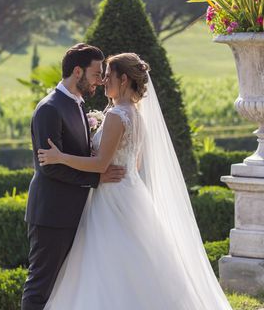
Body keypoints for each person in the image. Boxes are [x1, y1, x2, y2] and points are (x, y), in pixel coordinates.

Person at [37, 53, 232, 309]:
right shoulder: (135, 115)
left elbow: (101, 165)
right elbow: (135, 164)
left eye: (108, 76)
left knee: (108, 265)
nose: (104, 81)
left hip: (112, 199)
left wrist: (60, 157)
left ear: (124, 79)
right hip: (130, 193)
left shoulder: (118, 115)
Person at [22, 44, 127, 310]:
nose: (100, 80)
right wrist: (97, 179)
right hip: (52, 214)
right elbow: (50, 166)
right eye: (95, 73)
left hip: (76, 212)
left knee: (66, 288)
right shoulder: (49, 108)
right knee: (40, 287)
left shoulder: (78, 104)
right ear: (77, 71)